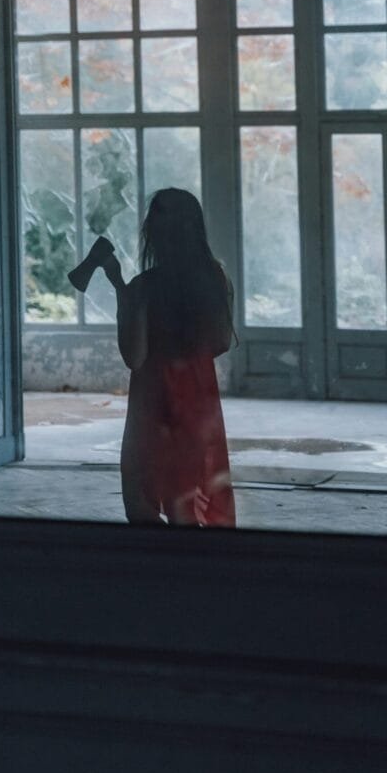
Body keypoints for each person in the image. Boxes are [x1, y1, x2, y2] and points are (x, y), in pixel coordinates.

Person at [102, 188, 236, 528]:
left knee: (142, 504)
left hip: (153, 406)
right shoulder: (215, 279)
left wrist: (120, 288)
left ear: (153, 234)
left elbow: (134, 356)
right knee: (186, 503)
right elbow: (220, 341)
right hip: (196, 406)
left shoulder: (145, 287)